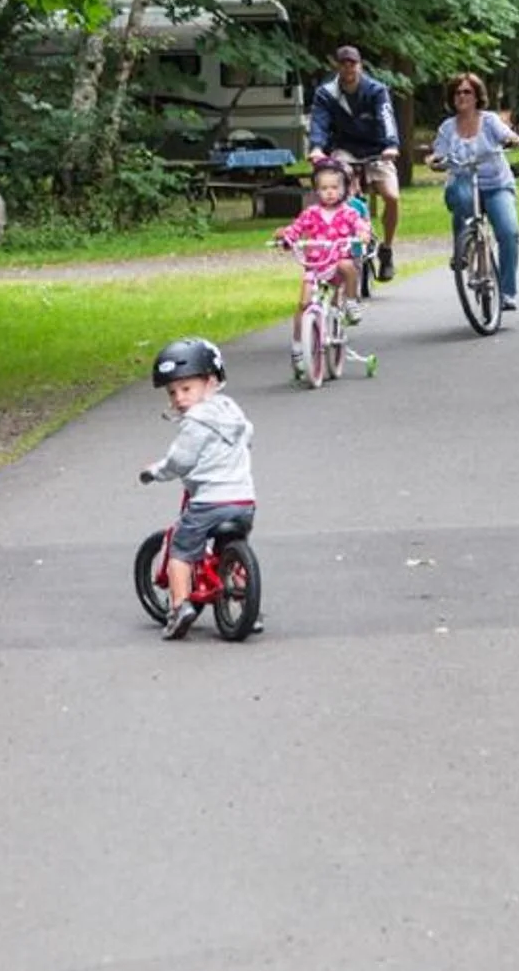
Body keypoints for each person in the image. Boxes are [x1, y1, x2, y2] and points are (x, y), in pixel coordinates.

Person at [137, 337, 254, 640]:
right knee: (229, 546)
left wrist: (156, 472)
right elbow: (248, 435)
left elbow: (181, 460)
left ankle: (179, 608)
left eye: (186, 389)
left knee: (181, 548)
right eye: (172, 392)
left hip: (209, 503)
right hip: (243, 500)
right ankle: (246, 602)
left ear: (211, 382)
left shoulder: (196, 421)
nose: (179, 398)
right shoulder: (231, 411)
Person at [430, 72, 519, 312]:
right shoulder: (447, 128)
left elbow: (507, 135)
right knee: (460, 196)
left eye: (467, 92)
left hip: (496, 185)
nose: (461, 96)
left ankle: (507, 292)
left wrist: (514, 139)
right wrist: (434, 160)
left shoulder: (490, 121)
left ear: (477, 96)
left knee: (509, 232)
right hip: (464, 183)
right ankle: (462, 247)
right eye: (457, 93)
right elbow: (438, 154)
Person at [305, 43, 403, 277]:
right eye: (344, 64)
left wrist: (391, 144)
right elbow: (319, 122)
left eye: (353, 64)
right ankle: (346, 243)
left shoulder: (376, 90)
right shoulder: (327, 94)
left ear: (360, 65)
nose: (349, 69)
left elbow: (386, 117)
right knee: (343, 194)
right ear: (337, 67)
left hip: (377, 149)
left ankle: (387, 249)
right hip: (344, 149)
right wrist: (317, 148)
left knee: (391, 197)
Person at [274, 161, 369, 375]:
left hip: (337, 263)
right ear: (316, 191)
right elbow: (295, 229)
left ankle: (351, 302)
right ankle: (298, 347)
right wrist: (285, 238)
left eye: (334, 188)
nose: (330, 192)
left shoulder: (348, 213)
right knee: (303, 304)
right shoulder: (311, 213)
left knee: (347, 265)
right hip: (314, 266)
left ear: (344, 189)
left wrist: (362, 234)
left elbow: (360, 225)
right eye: (324, 188)